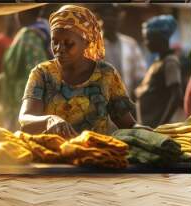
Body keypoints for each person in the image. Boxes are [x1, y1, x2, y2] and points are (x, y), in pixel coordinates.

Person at [18, 5, 144, 139]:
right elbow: (25, 119)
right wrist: (49, 120)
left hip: (95, 154)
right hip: (51, 155)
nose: (59, 49)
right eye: (54, 42)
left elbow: (128, 125)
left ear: (86, 42)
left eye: (68, 43)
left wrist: (145, 133)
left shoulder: (106, 74)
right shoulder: (42, 73)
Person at [1, 6, 54, 131]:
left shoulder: (29, 36)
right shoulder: (44, 30)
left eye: (17, 12)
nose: (16, 16)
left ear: (22, 13)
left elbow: (36, 73)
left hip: (24, 100)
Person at [134, 15, 185, 128]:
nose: (146, 43)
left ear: (160, 38)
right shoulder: (158, 61)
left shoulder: (170, 62)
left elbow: (176, 95)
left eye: (148, 38)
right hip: (148, 125)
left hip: (157, 128)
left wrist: (161, 126)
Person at [93, 4, 146, 99]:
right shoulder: (92, 45)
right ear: (99, 19)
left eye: (114, 15)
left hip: (125, 102)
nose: (110, 19)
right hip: (99, 103)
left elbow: (140, 76)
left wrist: (134, 99)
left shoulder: (130, 44)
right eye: (107, 15)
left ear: (120, 18)